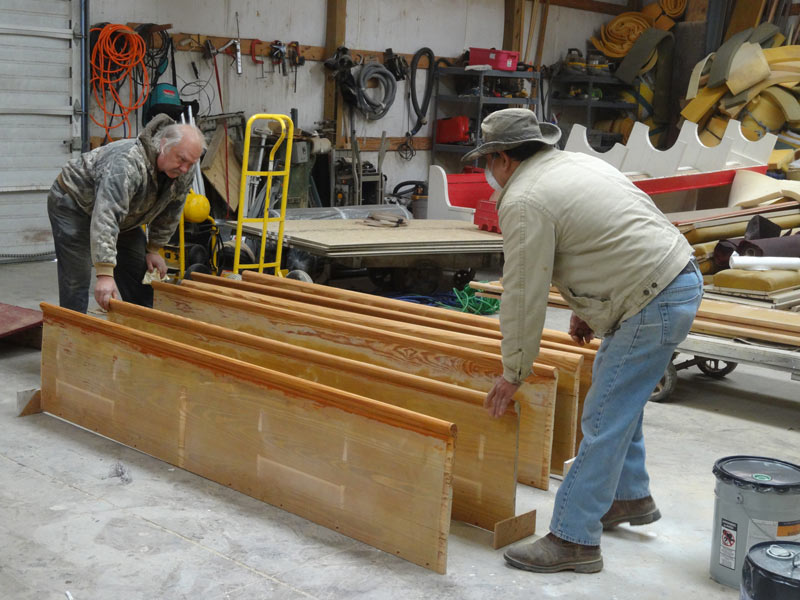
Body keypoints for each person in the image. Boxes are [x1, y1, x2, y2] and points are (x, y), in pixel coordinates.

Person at [466, 109, 702, 574]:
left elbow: (522, 292)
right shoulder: (574, 165)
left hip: (650, 298)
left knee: (603, 415)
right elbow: (606, 238)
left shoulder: (525, 199)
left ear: (503, 158)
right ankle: (627, 497)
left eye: (487, 161)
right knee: (619, 399)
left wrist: (514, 371)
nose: (487, 173)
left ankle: (573, 539)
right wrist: (588, 307)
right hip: (672, 279)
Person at [47, 114, 206, 313]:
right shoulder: (127, 162)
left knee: (139, 269)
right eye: (181, 160)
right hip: (73, 202)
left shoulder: (184, 169)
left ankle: (143, 329)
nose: (185, 168)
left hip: (123, 213)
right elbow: (107, 215)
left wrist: (154, 249)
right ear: (163, 145)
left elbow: (171, 210)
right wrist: (105, 273)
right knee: (76, 277)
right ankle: (70, 333)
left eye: (191, 163)